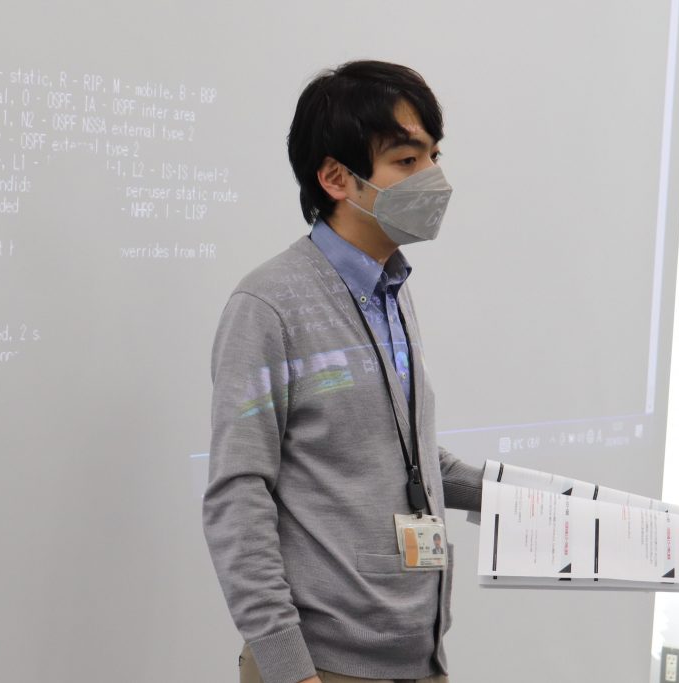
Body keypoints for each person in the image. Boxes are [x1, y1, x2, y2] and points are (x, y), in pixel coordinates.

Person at [203, 60, 483, 683]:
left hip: (418, 658)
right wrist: (287, 667)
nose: (433, 178)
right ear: (335, 177)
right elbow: (238, 493)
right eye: (407, 160)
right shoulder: (268, 304)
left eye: (434, 156)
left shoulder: (390, 290)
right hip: (322, 667)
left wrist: (541, 502)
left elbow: (409, 457)